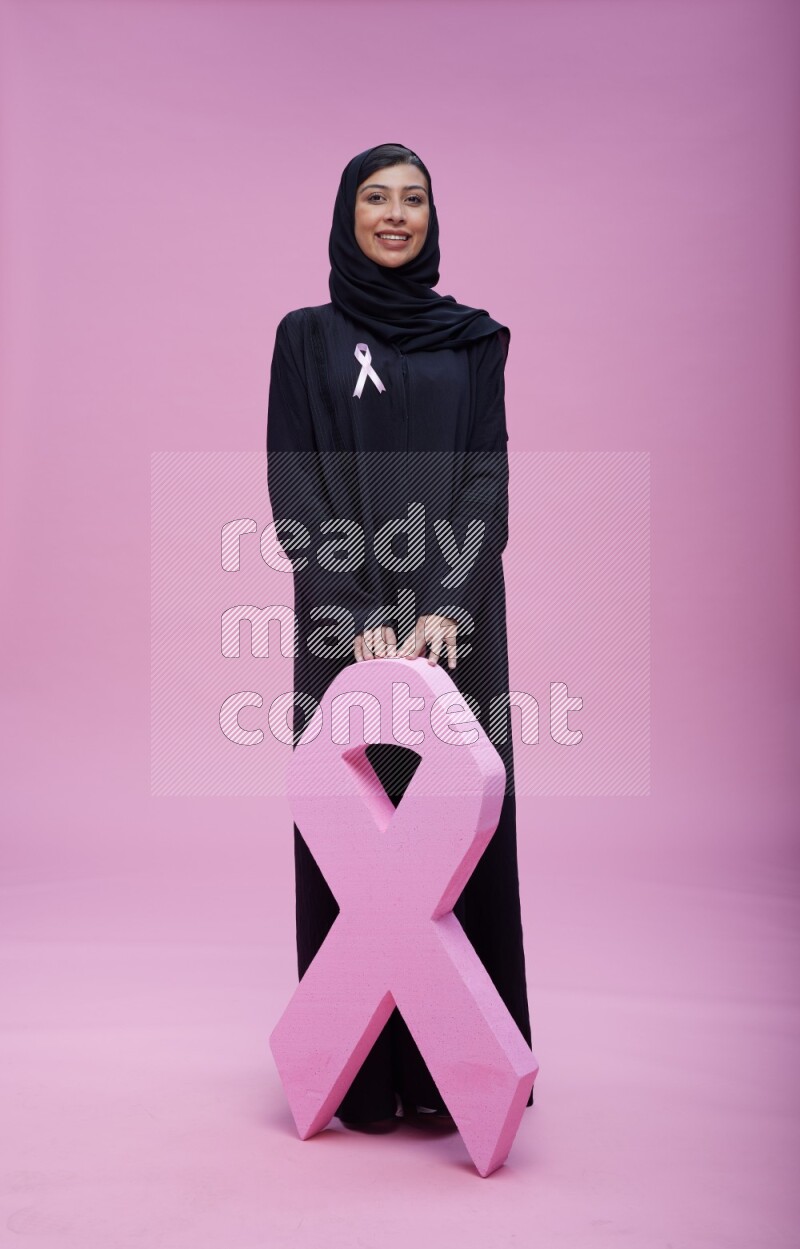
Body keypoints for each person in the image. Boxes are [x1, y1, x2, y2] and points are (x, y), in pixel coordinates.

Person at [266, 143, 533, 1131]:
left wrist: (446, 606)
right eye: (374, 198)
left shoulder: (470, 341)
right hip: (349, 625)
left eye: (411, 199)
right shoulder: (305, 338)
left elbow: (486, 479)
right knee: (359, 832)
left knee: (458, 825)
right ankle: (368, 1079)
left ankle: (459, 1073)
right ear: (347, 214)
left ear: (431, 217)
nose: (393, 215)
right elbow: (296, 482)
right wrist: (359, 611)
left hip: (455, 623)